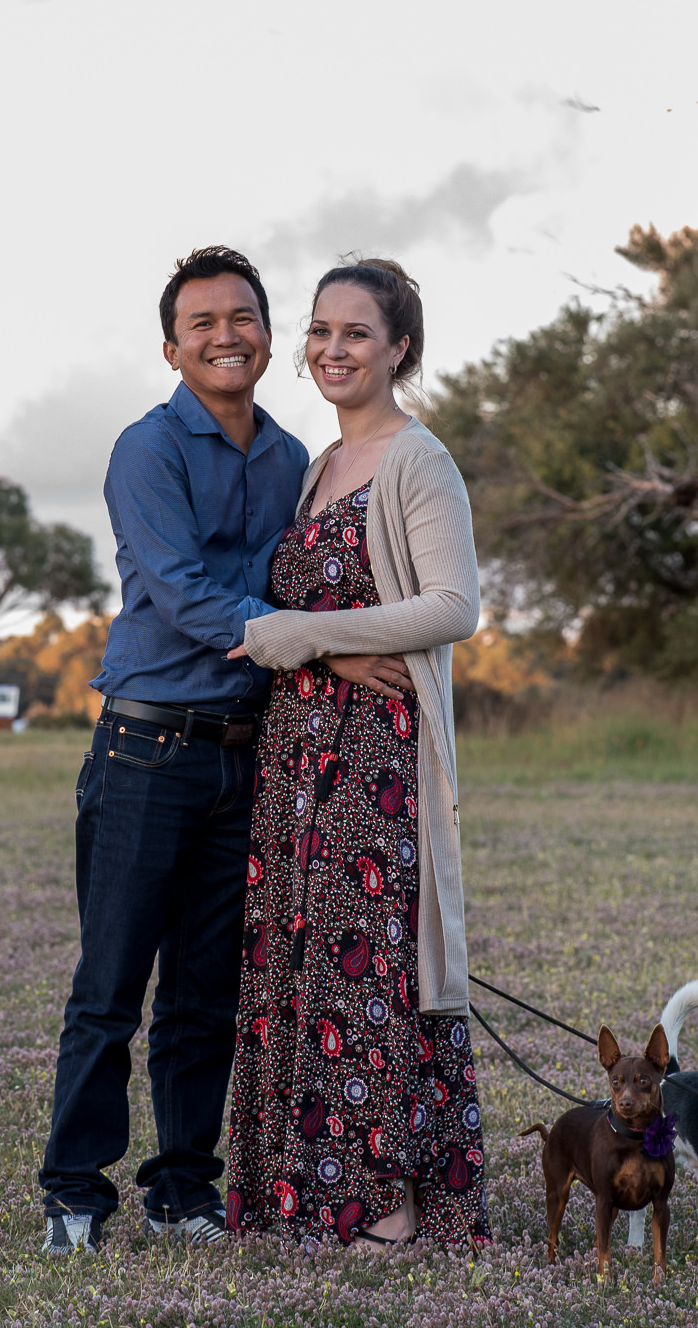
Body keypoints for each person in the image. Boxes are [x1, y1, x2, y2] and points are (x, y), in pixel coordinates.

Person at [38, 247, 411, 1254]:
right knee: (110, 986)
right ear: (172, 344)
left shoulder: (293, 457)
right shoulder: (144, 450)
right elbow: (187, 596)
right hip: (145, 751)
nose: (224, 334)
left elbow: (303, 586)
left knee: (206, 992)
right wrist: (328, 647)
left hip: (250, 756)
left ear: (264, 332)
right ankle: (74, 1187)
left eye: (241, 315)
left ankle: (183, 1186)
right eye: (201, 321)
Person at [223, 258, 490, 1246]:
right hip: (297, 758)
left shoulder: (414, 459)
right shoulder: (314, 466)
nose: (332, 349)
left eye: (357, 334)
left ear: (399, 348)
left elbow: (454, 605)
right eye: (320, 331)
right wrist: (310, 640)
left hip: (374, 757)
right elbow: (323, 617)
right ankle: (310, 1197)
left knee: (363, 971)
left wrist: (292, 634)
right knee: (303, 966)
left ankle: (390, 1204)